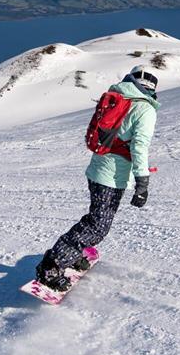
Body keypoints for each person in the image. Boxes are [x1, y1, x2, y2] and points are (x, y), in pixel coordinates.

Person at [35, 64, 160, 291]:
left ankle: (71, 255)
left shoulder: (120, 96)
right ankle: (51, 266)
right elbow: (139, 147)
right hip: (111, 178)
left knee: (95, 220)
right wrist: (142, 182)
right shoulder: (145, 109)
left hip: (98, 170)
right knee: (97, 226)